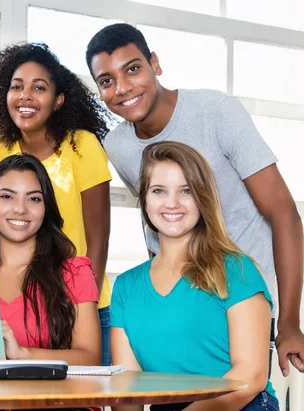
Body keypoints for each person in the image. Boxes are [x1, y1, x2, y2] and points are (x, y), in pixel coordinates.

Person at [86, 23, 304, 376]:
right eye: (106, 80)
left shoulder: (216, 112)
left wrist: (289, 323)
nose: (122, 88)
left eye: (133, 68)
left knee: (241, 391)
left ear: (155, 63)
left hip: (239, 298)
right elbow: (162, 220)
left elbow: (283, 214)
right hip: (178, 304)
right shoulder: (118, 145)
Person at [0, 43, 113, 364]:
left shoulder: (82, 146)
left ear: (58, 99)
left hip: (79, 305)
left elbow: (98, 237)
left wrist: (79, 302)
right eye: (17, 86)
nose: (26, 96)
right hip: (21, 306)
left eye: (39, 88)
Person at [111, 141, 278, 411]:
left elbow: (251, 375)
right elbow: (128, 389)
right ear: (144, 199)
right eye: (159, 191)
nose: (172, 203)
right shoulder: (126, 286)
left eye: (185, 191)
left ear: (202, 198)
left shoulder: (236, 269)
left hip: (242, 404)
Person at [0, 154, 101, 366]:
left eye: (34, 198)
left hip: (54, 399)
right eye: (7, 196)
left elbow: (90, 358)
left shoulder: (74, 273)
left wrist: (23, 354)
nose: (20, 208)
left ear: (46, 208)